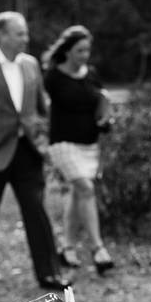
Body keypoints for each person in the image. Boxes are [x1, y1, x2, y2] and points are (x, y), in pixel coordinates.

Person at [0, 11, 70, 290]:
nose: (26, 38)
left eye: (25, 33)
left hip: (26, 151)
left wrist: (40, 134)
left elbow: (41, 106)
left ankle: (49, 273)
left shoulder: (30, 65)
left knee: (36, 210)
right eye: (20, 33)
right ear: (2, 35)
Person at [41, 25, 114, 275]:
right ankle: (98, 248)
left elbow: (101, 104)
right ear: (68, 51)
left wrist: (105, 120)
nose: (84, 55)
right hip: (64, 144)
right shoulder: (53, 77)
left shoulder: (91, 74)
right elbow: (53, 106)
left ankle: (68, 247)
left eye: (87, 50)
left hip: (89, 144)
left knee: (76, 192)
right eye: (80, 50)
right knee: (85, 187)